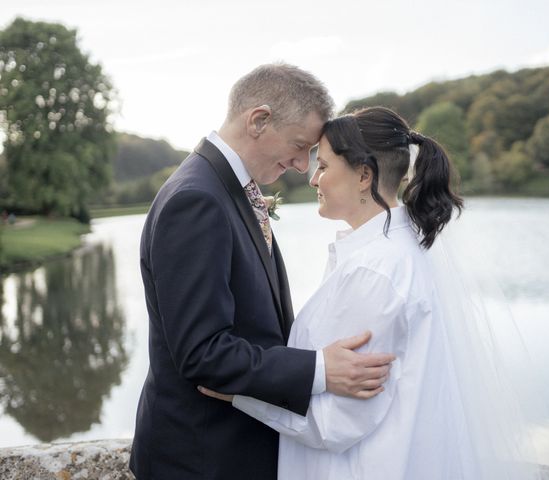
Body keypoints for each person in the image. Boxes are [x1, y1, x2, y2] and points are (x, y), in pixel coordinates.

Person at [200, 107, 549, 479]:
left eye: (324, 166)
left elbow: (338, 422)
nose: (312, 179)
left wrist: (238, 394)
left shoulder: (376, 272)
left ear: (363, 175)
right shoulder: (396, 251)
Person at [129, 65, 395, 480]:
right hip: (201, 460)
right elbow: (203, 352)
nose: (301, 165)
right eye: (299, 145)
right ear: (258, 120)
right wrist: (320, 370)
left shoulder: (227, 188)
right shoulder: (197, 199)